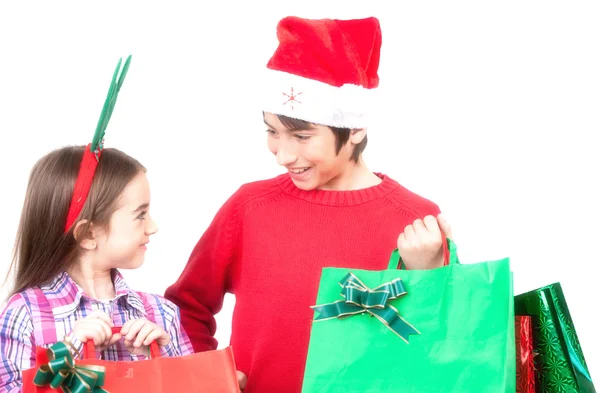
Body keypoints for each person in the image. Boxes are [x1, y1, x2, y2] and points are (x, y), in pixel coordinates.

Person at [165, 16, 452, 393]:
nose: (283, 154)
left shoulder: (416, 221)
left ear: (355, 129)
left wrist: (429, 274)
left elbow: (446, 348)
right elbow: (185, 307)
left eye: (302, 136)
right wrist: (209, 379)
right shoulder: (249, 208)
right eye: (271, 131)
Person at [0, 57, 193, 393]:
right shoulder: (26, 314)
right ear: (88, 233)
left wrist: (164, 355)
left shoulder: (160, 313)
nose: (153, 226)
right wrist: (69, 352)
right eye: (140, 214)